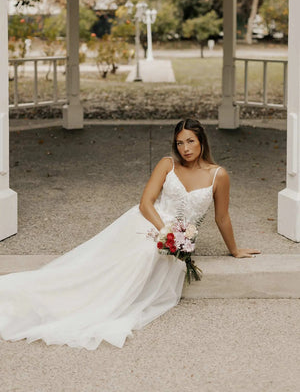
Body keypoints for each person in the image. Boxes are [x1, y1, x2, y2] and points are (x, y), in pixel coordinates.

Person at [0, 119, 260, 350]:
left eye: (191, 141)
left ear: (201, 141)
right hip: (148, 223)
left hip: (177, 241)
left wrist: (234, 250)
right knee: (137, 253)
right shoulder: (167, 164)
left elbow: (222, 217)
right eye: (180, 143)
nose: (185, 149)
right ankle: (66, 300)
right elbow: (145, 203)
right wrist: (166, 233)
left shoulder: (218, 175)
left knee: (150, 254)